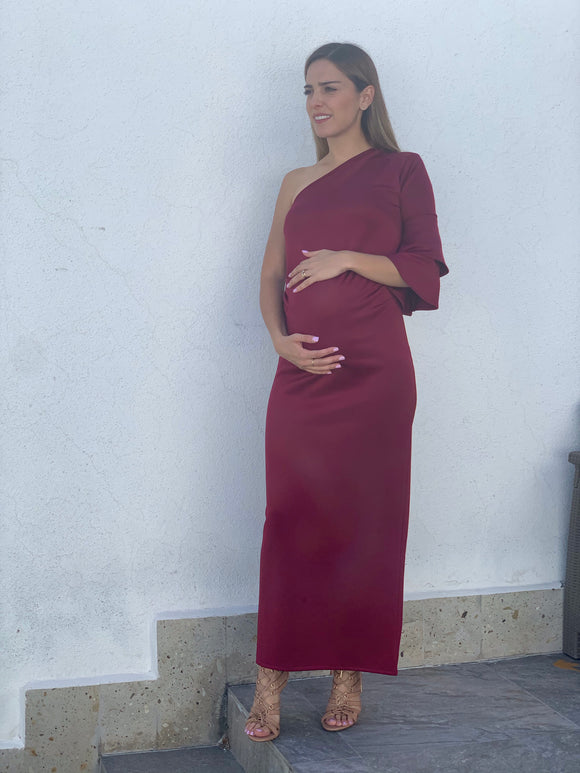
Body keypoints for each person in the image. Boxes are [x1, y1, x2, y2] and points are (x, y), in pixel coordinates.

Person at [244, 41, 449, 742]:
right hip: (302, 376)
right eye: (308, 90)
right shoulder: (296, 181)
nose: (316, 102)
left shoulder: (402, 169)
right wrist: (278, 340)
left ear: (365, 95)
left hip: (376, 377)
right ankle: (272, 674)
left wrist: (347, 259)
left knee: (366, 521)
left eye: (329, 87)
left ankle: (346, 672)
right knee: (291, 517)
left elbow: (425, 266)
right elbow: (270, 275)